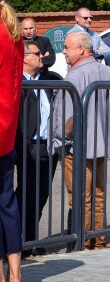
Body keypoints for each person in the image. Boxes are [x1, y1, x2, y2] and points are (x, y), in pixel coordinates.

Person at [51, 32, 110, 250]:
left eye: (67, 47)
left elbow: (68, 119)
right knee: (97, 196)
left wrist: (59, 141)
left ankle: (84, 244)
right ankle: (98, 242)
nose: (63, 51)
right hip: (100, 143)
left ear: (81, 49)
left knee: (81, 198)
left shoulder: (74, 77)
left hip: (77, 146)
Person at [15, 40, 61, 257]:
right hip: (27, 145)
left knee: (41, 194)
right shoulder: (16, 82)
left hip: (48, 146)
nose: (42, 57)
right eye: (37, 54)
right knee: (25, 194)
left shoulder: (49, 80)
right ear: (24, 57)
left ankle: (32, 239)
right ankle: (19, 241)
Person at [0, 0, 24, 282]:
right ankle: (16, 276)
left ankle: (1, 281)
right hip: (6, 134)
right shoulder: (14, 37)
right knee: (7, 204)